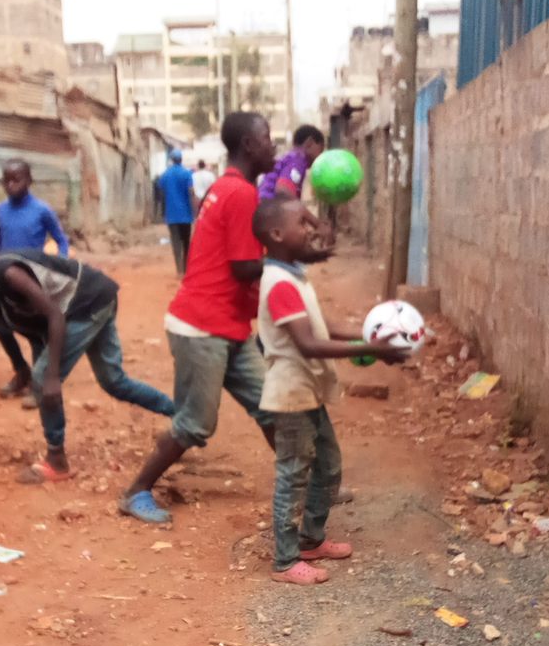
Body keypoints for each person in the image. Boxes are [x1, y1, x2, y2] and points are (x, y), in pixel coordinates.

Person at [120, 110, 328, 528]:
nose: (273, 145)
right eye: (266, 137)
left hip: (227, 325)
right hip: (202, 328)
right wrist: (294, 258)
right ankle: (135, 491)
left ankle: (307, 484)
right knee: (196, 423)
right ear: (249, 145)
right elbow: (244, 267)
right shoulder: (239, 193)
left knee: (271, 407)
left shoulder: (228, 187)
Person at [253, 197, 407, 583]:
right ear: (277, 234)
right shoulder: (279, 284)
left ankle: (310, 539)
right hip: (291, 394)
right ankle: (285, 561)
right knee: (294, 474)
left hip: (307, 391)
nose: (310, 228)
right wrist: (373, 349)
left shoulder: (293, 275)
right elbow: (309, 344)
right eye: (301, 223)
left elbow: (322, 326)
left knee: (328, 465)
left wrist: (368, 337)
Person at [0, 249, 174, 483]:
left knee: (43, 376)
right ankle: (182, 416)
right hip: (98, 298)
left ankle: (57, 461)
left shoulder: (7, 274)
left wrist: (52, 375)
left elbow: (55, 315)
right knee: (114, 381)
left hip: (86, 303)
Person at [0, 159, 70, 400]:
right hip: (6, 278)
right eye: (6, 180)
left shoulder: (42, 210)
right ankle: (21, 370)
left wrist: (58, 265)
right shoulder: (0, 210)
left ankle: (38, 386)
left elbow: (61, 240)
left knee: (35, 333)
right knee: (0, 327)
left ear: (29, 180)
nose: (10, 185)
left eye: (16, 179)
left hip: (32, 280)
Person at [258, 124, 326, 201]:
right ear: (309, 143)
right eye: (321, 150)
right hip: (269, 205)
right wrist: (300, 207)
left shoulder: (289, 157)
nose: (320, 156)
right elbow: (283, 191)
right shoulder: (298, 160)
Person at [157, 149, 196, 275]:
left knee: (175, 242)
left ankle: (179, 269)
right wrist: (194, 211)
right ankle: (186, 268)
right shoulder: (187, 173)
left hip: (172, 214)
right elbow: (191, 193)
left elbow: (161, 193)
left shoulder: (165, 175)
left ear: (172, 160)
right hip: (186, 214)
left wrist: (162, 211)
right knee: (186, 242)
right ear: (181, 159)